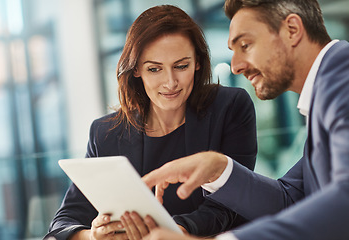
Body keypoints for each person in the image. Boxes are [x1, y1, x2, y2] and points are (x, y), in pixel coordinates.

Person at [43, 5, 257, 240]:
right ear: (136, 70)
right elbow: (63, 223)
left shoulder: (230, 107)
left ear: (197, 62)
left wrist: (170, 233)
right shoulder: (105, 133)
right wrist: (96, 236)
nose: (170, 82)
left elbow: (231, 205)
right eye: (154, 69)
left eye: (181, 66)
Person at [141, 0, 349, 239]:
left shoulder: (343, 80)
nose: (236, 66)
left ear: (292, 30)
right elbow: (291, 199)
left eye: (245, 45)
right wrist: (218, 170)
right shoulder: (327, 91)